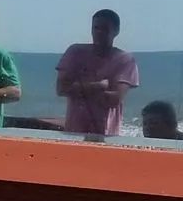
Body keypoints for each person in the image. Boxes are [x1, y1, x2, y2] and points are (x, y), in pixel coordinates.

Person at [55, 8, 139, 138]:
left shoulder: (124, 59)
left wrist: (78, 87)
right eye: (96, 28)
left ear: (116, 31)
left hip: (106, 136)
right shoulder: (75, 52)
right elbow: (61, 89)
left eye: (105, 29)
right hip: (74, 132)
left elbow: (114, 99)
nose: (99, 33)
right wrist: (99, 86)